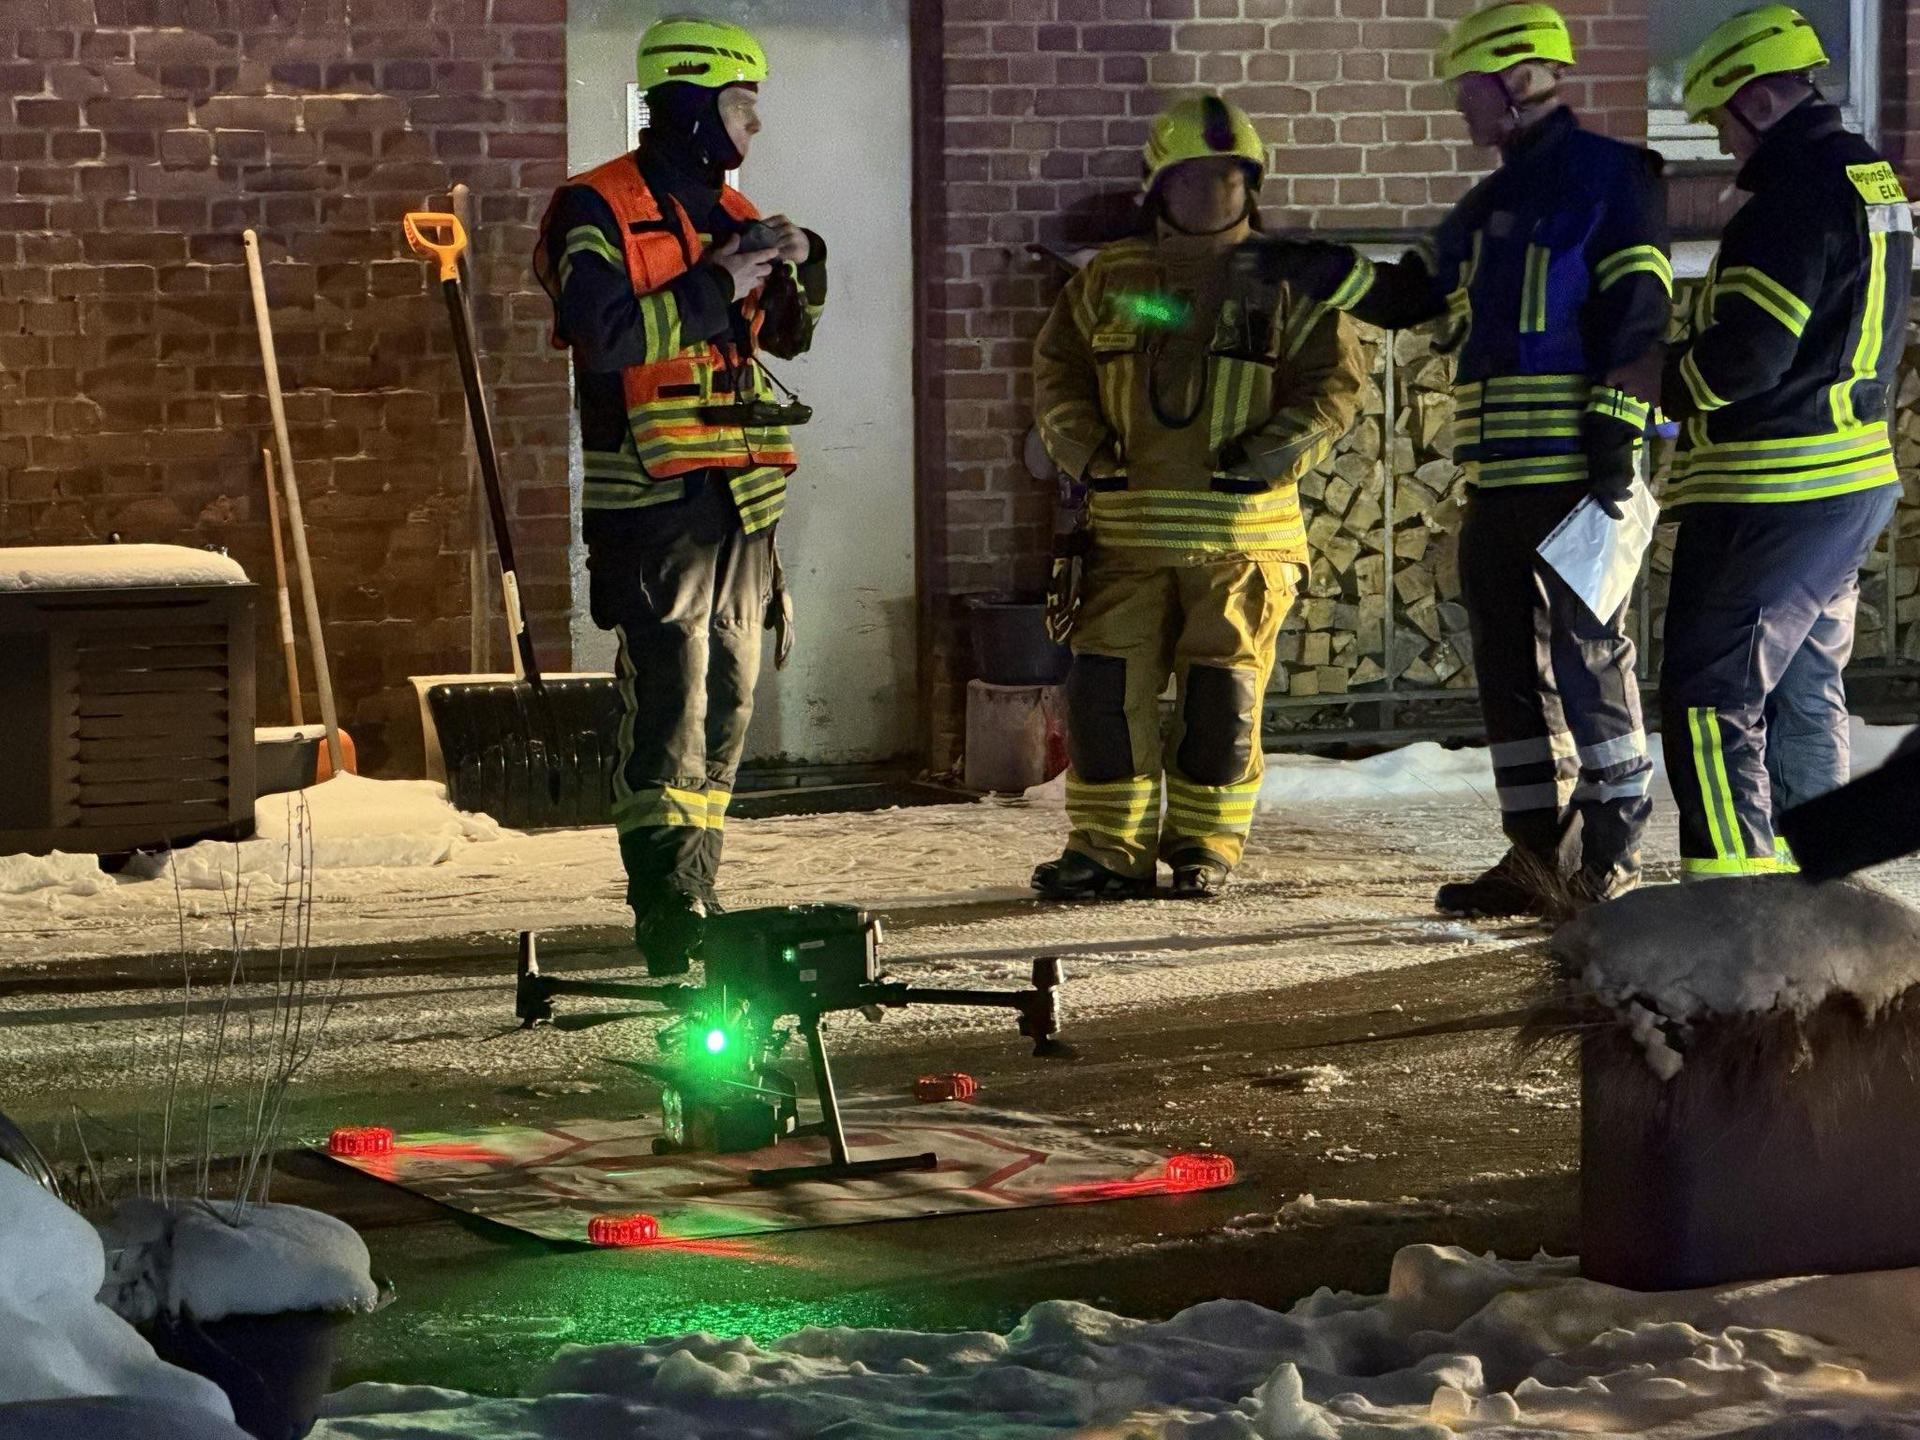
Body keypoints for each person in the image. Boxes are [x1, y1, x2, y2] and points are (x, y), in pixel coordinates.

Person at [1275, 2, 1671, 917]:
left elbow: (1639, 321)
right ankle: (1535, 857)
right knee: (1508, 670)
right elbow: (1414, 293)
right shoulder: (1490, 203)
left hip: (1578, 475)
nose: (1459, 107)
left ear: (1518, 79)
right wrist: (1319, 267)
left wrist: (1616, 444)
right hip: (1500, 481)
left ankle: (1612, 853)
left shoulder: (1616, 179)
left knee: (1589, 660)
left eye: (1468, 88)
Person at [533, 16, 827, 972]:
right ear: (695, 102)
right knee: (671, 696)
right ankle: (662, 904)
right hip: (652, 500)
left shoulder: (734, 210)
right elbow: (605, 336)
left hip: (743, 500)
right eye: (744, 104)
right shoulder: (592, 207)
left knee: (733, 698)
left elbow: (786, 341)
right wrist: (717, 280)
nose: (755, 124)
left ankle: (698, 883)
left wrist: (796, 263)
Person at [1028, 94, 1366, 901]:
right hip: (1125, 539)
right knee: (1106, 698)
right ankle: (1107, 849)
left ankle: (1204, 849)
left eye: (1230, 176)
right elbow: (1058, 375)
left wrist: (1270, 456)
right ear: (1159, 186)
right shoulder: (1111, 279)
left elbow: (1334, 389)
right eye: (1196, 177)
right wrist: (1087, 450)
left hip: (1243, 544)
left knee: (1221, 704)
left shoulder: (1293, 280)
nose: (1214, 191)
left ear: (1254, 184)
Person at [1659, 5, 1910, 879]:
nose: (1724, 146)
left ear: (1759, 99)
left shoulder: (1793, 195)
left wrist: (1656, 383)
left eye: (1721, 121)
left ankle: (1739, 909)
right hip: (1848, 479)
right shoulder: (1870, 176)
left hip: (1774, 488)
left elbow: (1750, 354)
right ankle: (1824, 890)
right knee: (1805, 691)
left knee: (1708, 696)